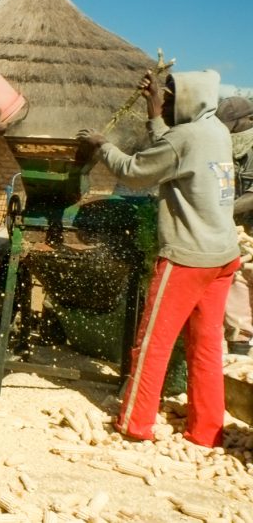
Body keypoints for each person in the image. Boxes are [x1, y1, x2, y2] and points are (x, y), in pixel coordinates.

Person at [77, 69, 239, 447]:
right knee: (206, 345)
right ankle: (205, 431)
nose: (166, 101)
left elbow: (135, 173)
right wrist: (153, 112)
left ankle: (135, 423)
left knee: (153, 343)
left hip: (187, 258)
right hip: (222, 255)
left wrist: (103, 146)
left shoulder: (184, 138)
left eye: (169, 97)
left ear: (187, 100)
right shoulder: (214, 130)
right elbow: (174, 150)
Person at [217, 96, 253, 356]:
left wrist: (220, 211)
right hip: (240, 230)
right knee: (237, 282)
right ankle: (240, 349)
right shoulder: (226, 146)